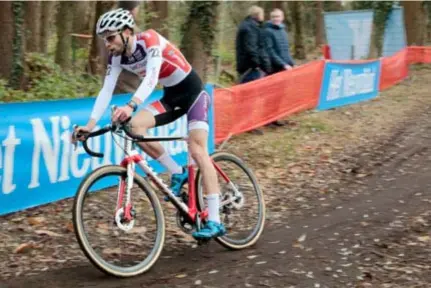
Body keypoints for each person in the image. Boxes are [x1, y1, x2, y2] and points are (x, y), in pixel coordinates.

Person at [71, 8, 225, 240]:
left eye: (110, 37)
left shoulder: (150, 40)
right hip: (171, 98)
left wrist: (131, 105)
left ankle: (215, 219)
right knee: (133, 128)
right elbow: (106, 90)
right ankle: (177, 171)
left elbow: (152, 77)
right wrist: (90, 125)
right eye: (104, 40)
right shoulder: (117, 57)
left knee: (197, 150)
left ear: (126, 32)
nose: (107, 44)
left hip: (194, 94)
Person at [235, 5, 272, 135]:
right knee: (249, 97)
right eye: (262, 14)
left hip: (249, 66)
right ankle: (247, 125)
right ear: (257, 15)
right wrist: (258, 64)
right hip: (249, 68)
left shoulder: (250, 26)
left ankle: (246, 123)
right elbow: (252, 49)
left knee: (249, 96)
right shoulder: (249, 28)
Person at [263, 8, 296, 127]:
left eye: (278, 16)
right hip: (274, 68)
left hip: (284, 67)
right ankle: (267, 120)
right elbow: (270, 51)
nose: (276, 19)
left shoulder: (283, 30)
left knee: (280, 95)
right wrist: (283, 64)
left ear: (282, 17)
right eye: (274, 17)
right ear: (271, 18)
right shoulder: (267, 31)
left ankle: (275, 118)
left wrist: (291, 63)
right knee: (271, 95)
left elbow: (285, 50)